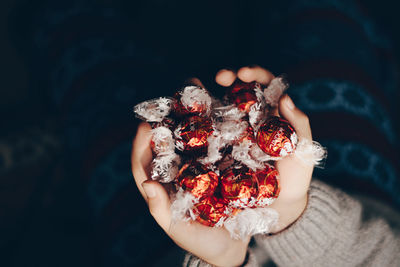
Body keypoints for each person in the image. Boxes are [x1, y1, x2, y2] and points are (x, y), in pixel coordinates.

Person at [131, 65, 400, 267]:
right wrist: (291, 209)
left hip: (152, 248)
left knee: (104, 88)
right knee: (327, 42)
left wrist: (224, 259)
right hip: (358, 196)